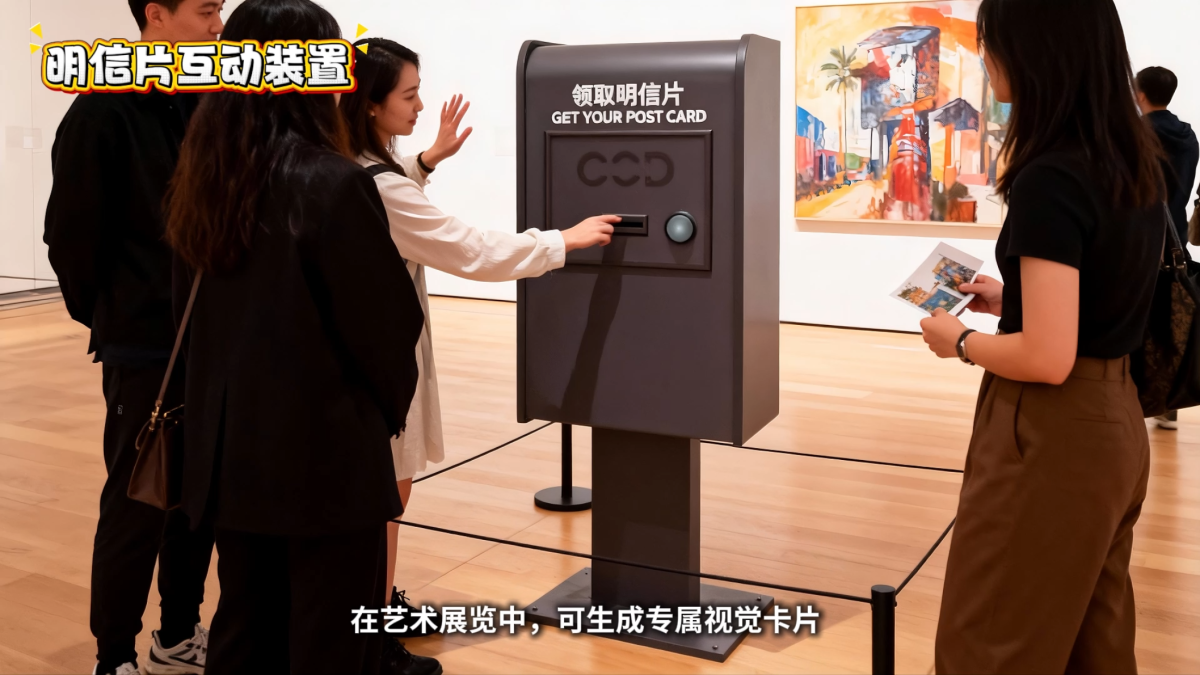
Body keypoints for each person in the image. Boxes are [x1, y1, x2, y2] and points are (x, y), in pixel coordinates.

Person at [337, 38, 618, 673]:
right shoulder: (375, 183)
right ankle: (370, 633)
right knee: (384, 498)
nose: (420, 106)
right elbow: (469, 250)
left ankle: (374, 607)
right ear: (370, 104)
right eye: (409, 95)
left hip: (363, 358)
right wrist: (562, 241)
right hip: (381, 363)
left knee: (382, 497)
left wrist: (426, 160)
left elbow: (393, 199)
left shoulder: (350, 165)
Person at [163, 1, 425, 672]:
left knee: (247, 623)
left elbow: (188, 318)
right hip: (324, 458)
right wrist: (381, 419)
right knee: (329, 637)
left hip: (231, 456)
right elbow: (388, 329)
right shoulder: (332, 182)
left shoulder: (204, 178)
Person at [919, 0, 1164, 671]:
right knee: (1094, 641)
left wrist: (959, 340)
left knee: (990, 643)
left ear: (1033, 50)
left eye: (990, 41)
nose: (985, 57)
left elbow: (1048, 357)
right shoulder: (1129, 157)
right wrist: (1014, 297)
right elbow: (1105, 291)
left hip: (1054, 433)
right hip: (1116, 421)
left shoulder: (1051, 176)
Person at [43, 2, 224, 674]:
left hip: (209, 340)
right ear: (156, 15)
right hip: (143, 344)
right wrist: (115, 316)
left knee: (196, 502)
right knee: (136, 501)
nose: (218, 25)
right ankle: (113, 655)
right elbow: (70, 238)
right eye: (207, 10)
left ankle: (176, 635)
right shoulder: (101, 110)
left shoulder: (205, 101)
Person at [1135, 66, 1199, 430]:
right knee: (1167, 319)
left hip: (1141, 238)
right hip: (1175, 237)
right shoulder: (1187, 135)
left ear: (1140, 93)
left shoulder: (1136, 134)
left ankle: (1136, 398)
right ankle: (1167, 402)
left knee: (1138, 322)